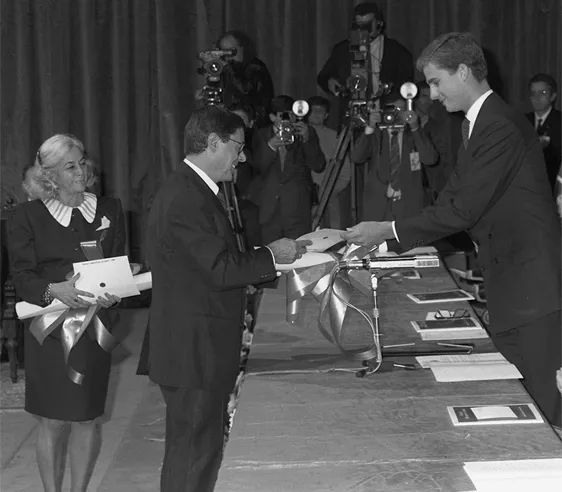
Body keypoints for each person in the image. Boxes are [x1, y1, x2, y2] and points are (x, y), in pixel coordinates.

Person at [342, 33, 562, 428]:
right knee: (519, 401)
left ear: (463, 72)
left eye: (436, 82)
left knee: (541, 406)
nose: (432, 93)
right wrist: (394, 237)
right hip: (512, 282)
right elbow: (450, 199)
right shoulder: (479, 124)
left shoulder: (498, 126)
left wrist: (388, 230)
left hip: (532, 287)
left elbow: (461, 210)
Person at [141, 105, 309, 492]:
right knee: (195, 455)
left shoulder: (194, 189)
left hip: (196, 344)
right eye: (238, 146)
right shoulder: (187, 196)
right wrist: (271, 255)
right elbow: (219, 269)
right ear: (214, 143)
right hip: (193, 349)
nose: (244, 156)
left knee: (198, 451)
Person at [8, 134, 125, 492]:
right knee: (52, 421)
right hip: (50, 331)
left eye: (82, 162)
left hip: (94, 329)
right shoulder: (26, 216)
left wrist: (115, 291)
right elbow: (22, 275)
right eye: (70, 166)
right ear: (49, 176)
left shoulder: (109, 209)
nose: (81, 171)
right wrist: (52, 290)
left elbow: (119, 262)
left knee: (87, 417)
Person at [317, 2, 413, 125]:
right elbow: (323, 78)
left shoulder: (397, 51)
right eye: (359, 25)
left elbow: (406, 83)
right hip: (352, 117)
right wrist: (331, 82)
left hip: (386, 116)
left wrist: (391, 87)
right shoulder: (342, 49)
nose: (363, 30)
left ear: (379, 24)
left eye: (367, 26)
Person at [350, 93, 439, 221]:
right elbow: (356, 157)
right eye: (392, 110)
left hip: (409, 207)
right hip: (378, 206)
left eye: (401, 110)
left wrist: (415, 127)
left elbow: (430, 159)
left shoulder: (414, 135)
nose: (396, 115)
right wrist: (369, 127)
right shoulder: (376, 135)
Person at [252, 95, 326, 244]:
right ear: (272, 117)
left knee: (299, 254)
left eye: (290, 115)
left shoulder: (305, 132)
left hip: (297, 208)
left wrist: (306, 139)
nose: (287, 120)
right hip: (269, 209)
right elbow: (256, 168)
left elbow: (318, 165)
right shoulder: (261, 135)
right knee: (270, 255)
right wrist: (271, 146)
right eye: (282, 116)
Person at [306, 96, 348, 228]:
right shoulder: (297, 135)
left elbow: (345, 172)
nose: (317, 114)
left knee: (331, 237)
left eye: (321, 111)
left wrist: (331, 191)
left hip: (328, 194)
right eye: (313, 110)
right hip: (303, 195)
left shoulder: (336, 137)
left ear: (326, 115)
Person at [526, 73, 561, 193]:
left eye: (543, 93)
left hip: (553, 188)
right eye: (533, 93)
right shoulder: (521, 122)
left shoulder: (560, 121)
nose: (537, 97)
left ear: (553, 96)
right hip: (526, 189)